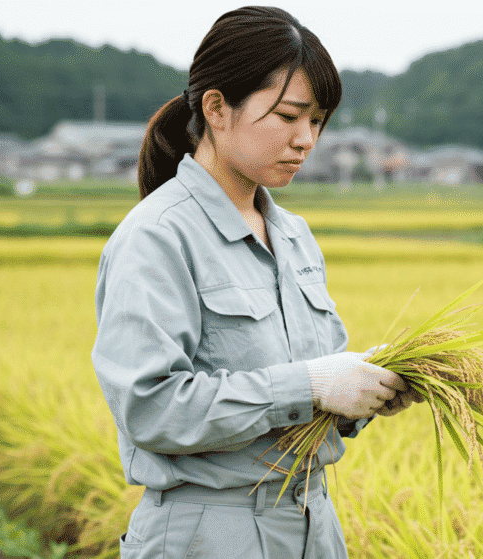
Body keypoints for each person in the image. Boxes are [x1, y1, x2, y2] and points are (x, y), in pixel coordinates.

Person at [91, 7, 422, 558]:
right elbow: (150, 408)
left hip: (313, 525)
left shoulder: (293, 236)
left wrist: (364, 388)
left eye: (316, 120)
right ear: (218, 109)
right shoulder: (157, 238)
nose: (306, 140)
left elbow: (316, 386)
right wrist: (311, 385)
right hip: (208, 533)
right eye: (289, 116)